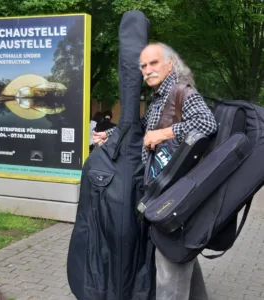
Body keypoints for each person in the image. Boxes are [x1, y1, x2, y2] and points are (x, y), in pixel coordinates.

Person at [93, 42, 217, 300]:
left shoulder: (181, 91)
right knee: (180, 258)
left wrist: (165, 132)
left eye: (153, 63)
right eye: (143, 66)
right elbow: (140, 127)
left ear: (170, 63)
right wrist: (109, 135)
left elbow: (206, 124)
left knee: (169, 268)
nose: (147, 70)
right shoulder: (160, 96)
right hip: (167, 192)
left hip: (175, 196)